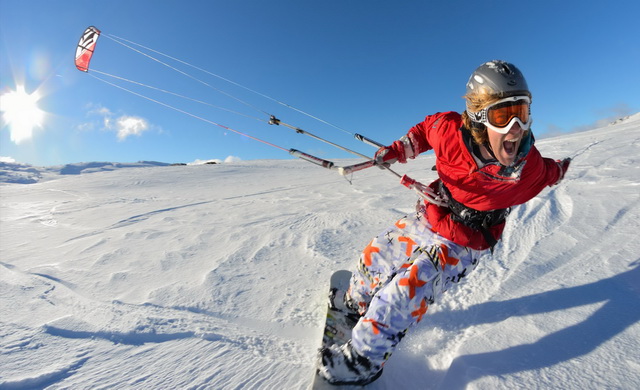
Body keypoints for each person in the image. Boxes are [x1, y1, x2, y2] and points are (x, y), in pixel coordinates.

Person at [317, 60, 571, 385]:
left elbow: (549, 173)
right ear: (479, 116)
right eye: (502, 116)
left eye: (522, 112)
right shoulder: (449, 130)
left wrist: (561, 169)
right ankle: (355, 302)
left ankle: (361, 362)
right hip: (433, 213)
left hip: (465, 241)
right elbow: (423, 131)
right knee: (375, 256)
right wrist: (399, 150)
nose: (516, 127)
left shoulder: (529, 167)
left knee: (403, 293)